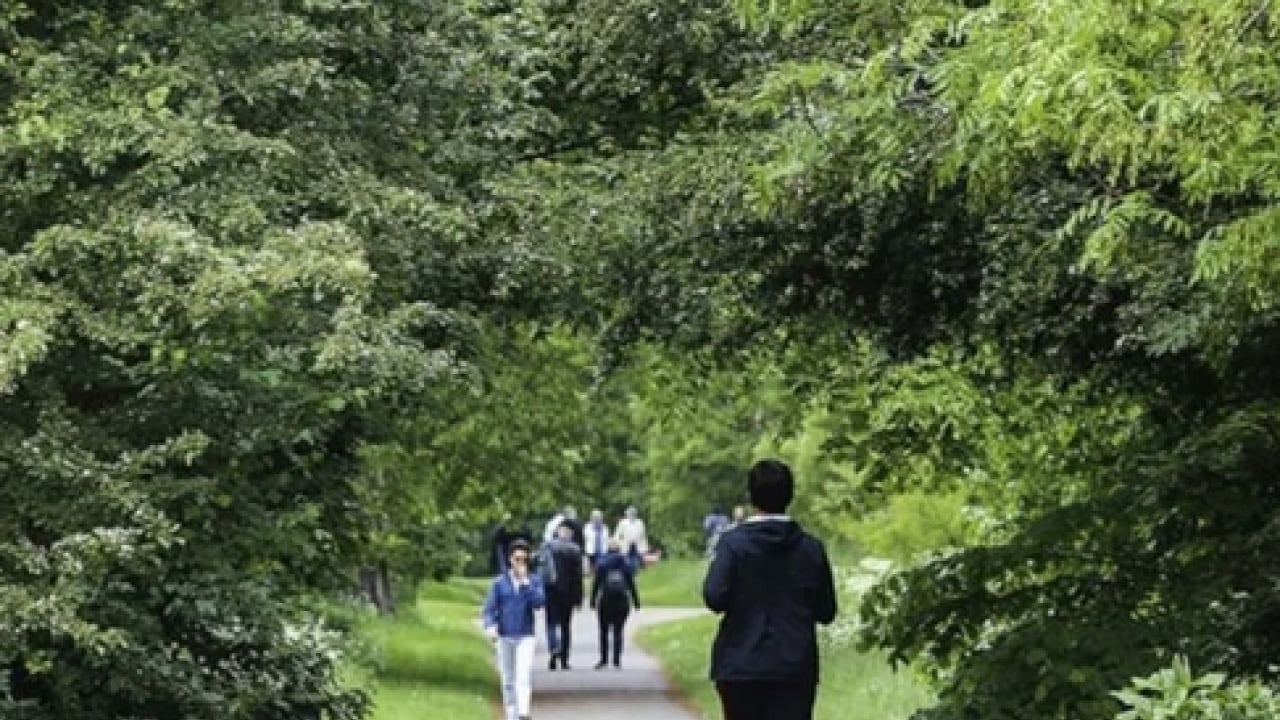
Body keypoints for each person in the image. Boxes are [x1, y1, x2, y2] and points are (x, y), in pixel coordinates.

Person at [703, 459, 838, 720]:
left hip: (740, 664)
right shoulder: (810, 549)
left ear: (752, 496)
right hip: (794, 666)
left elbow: (715, 597)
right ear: (790, 495)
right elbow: (826, 611)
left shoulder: (733, 545)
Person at [481, 539, 546, 720]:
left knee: (523, 674)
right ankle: (511, 714)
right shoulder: (500, 583)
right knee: (508, 678)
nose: (520, 563)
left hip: (525, 635)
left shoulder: (534, 581)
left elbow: (539, 603)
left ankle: (524, 712)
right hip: (504, 635)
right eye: (517, 559)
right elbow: (489, 609)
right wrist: (490, 626)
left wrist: (526, 584)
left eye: (523, 560)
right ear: (510, 560)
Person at [591, 538, 640, 669]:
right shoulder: (626, 563)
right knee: (618, 631)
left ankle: (604, 659)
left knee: (604, 631)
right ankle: (617, 660)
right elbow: (631, 584)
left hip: (605, 601)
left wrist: (592, 600)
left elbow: (596, 584)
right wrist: (636, 602)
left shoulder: (602, 563)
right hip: (622, 601)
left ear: (608, 549)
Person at [542, 523, 584, 670]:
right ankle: (565, 658)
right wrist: (579, 597)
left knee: (551, 623)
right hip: (568, 592)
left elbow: (541, 570)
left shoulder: (548, 547)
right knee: (566, 625)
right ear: (570, 535)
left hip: (550, 591)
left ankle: (554, 649)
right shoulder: (575, 550)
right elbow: (578, 576)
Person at [612, 505, 649, 573]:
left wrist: (645, 547)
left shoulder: (640, 523)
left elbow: (643, 536)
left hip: (637, 545)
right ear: (627, 514)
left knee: (635, 562)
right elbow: (617, 535)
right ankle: (628, 574)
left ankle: (634, 574)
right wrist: (617, 543)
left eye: (633, 514)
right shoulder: (622, 523)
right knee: (627, 561)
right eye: (630, 514)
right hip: (625, 545)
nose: (632, 515)